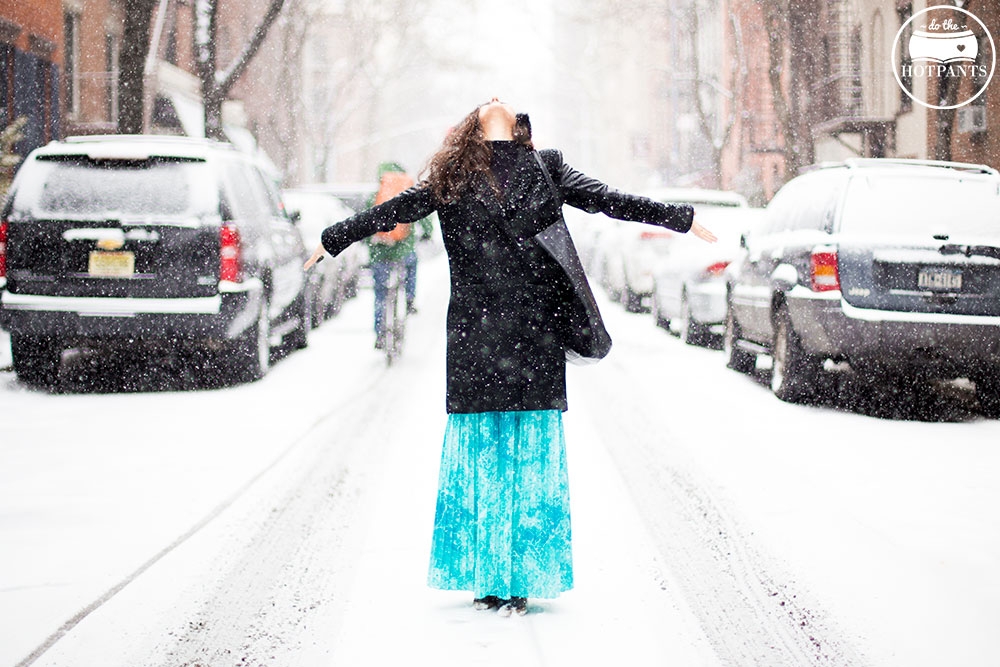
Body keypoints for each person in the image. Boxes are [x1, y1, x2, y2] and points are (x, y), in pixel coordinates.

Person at [305, 98, 716, 617]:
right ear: (472, 126)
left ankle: (516, 576)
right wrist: (332, 239)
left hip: (531, 333)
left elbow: (608, 200)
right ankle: (489, 575)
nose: (499, 100)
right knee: (485, 455)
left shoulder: (547, 167)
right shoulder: (450, 175)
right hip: (483, 334)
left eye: (507, 100)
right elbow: (393, 213)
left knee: (526, 457)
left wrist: (680, 218)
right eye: (488, 100)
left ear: (520, 126)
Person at [366, 162, 433, 349]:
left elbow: (363, 223)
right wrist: (427, 233)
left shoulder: (375, 196)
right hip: (403, 251)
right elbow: (424, 219)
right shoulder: (408, 196)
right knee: (412, 264)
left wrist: (368, 243)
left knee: (380, 295)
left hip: (380, 253)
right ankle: (410, 299)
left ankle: (380, 334)